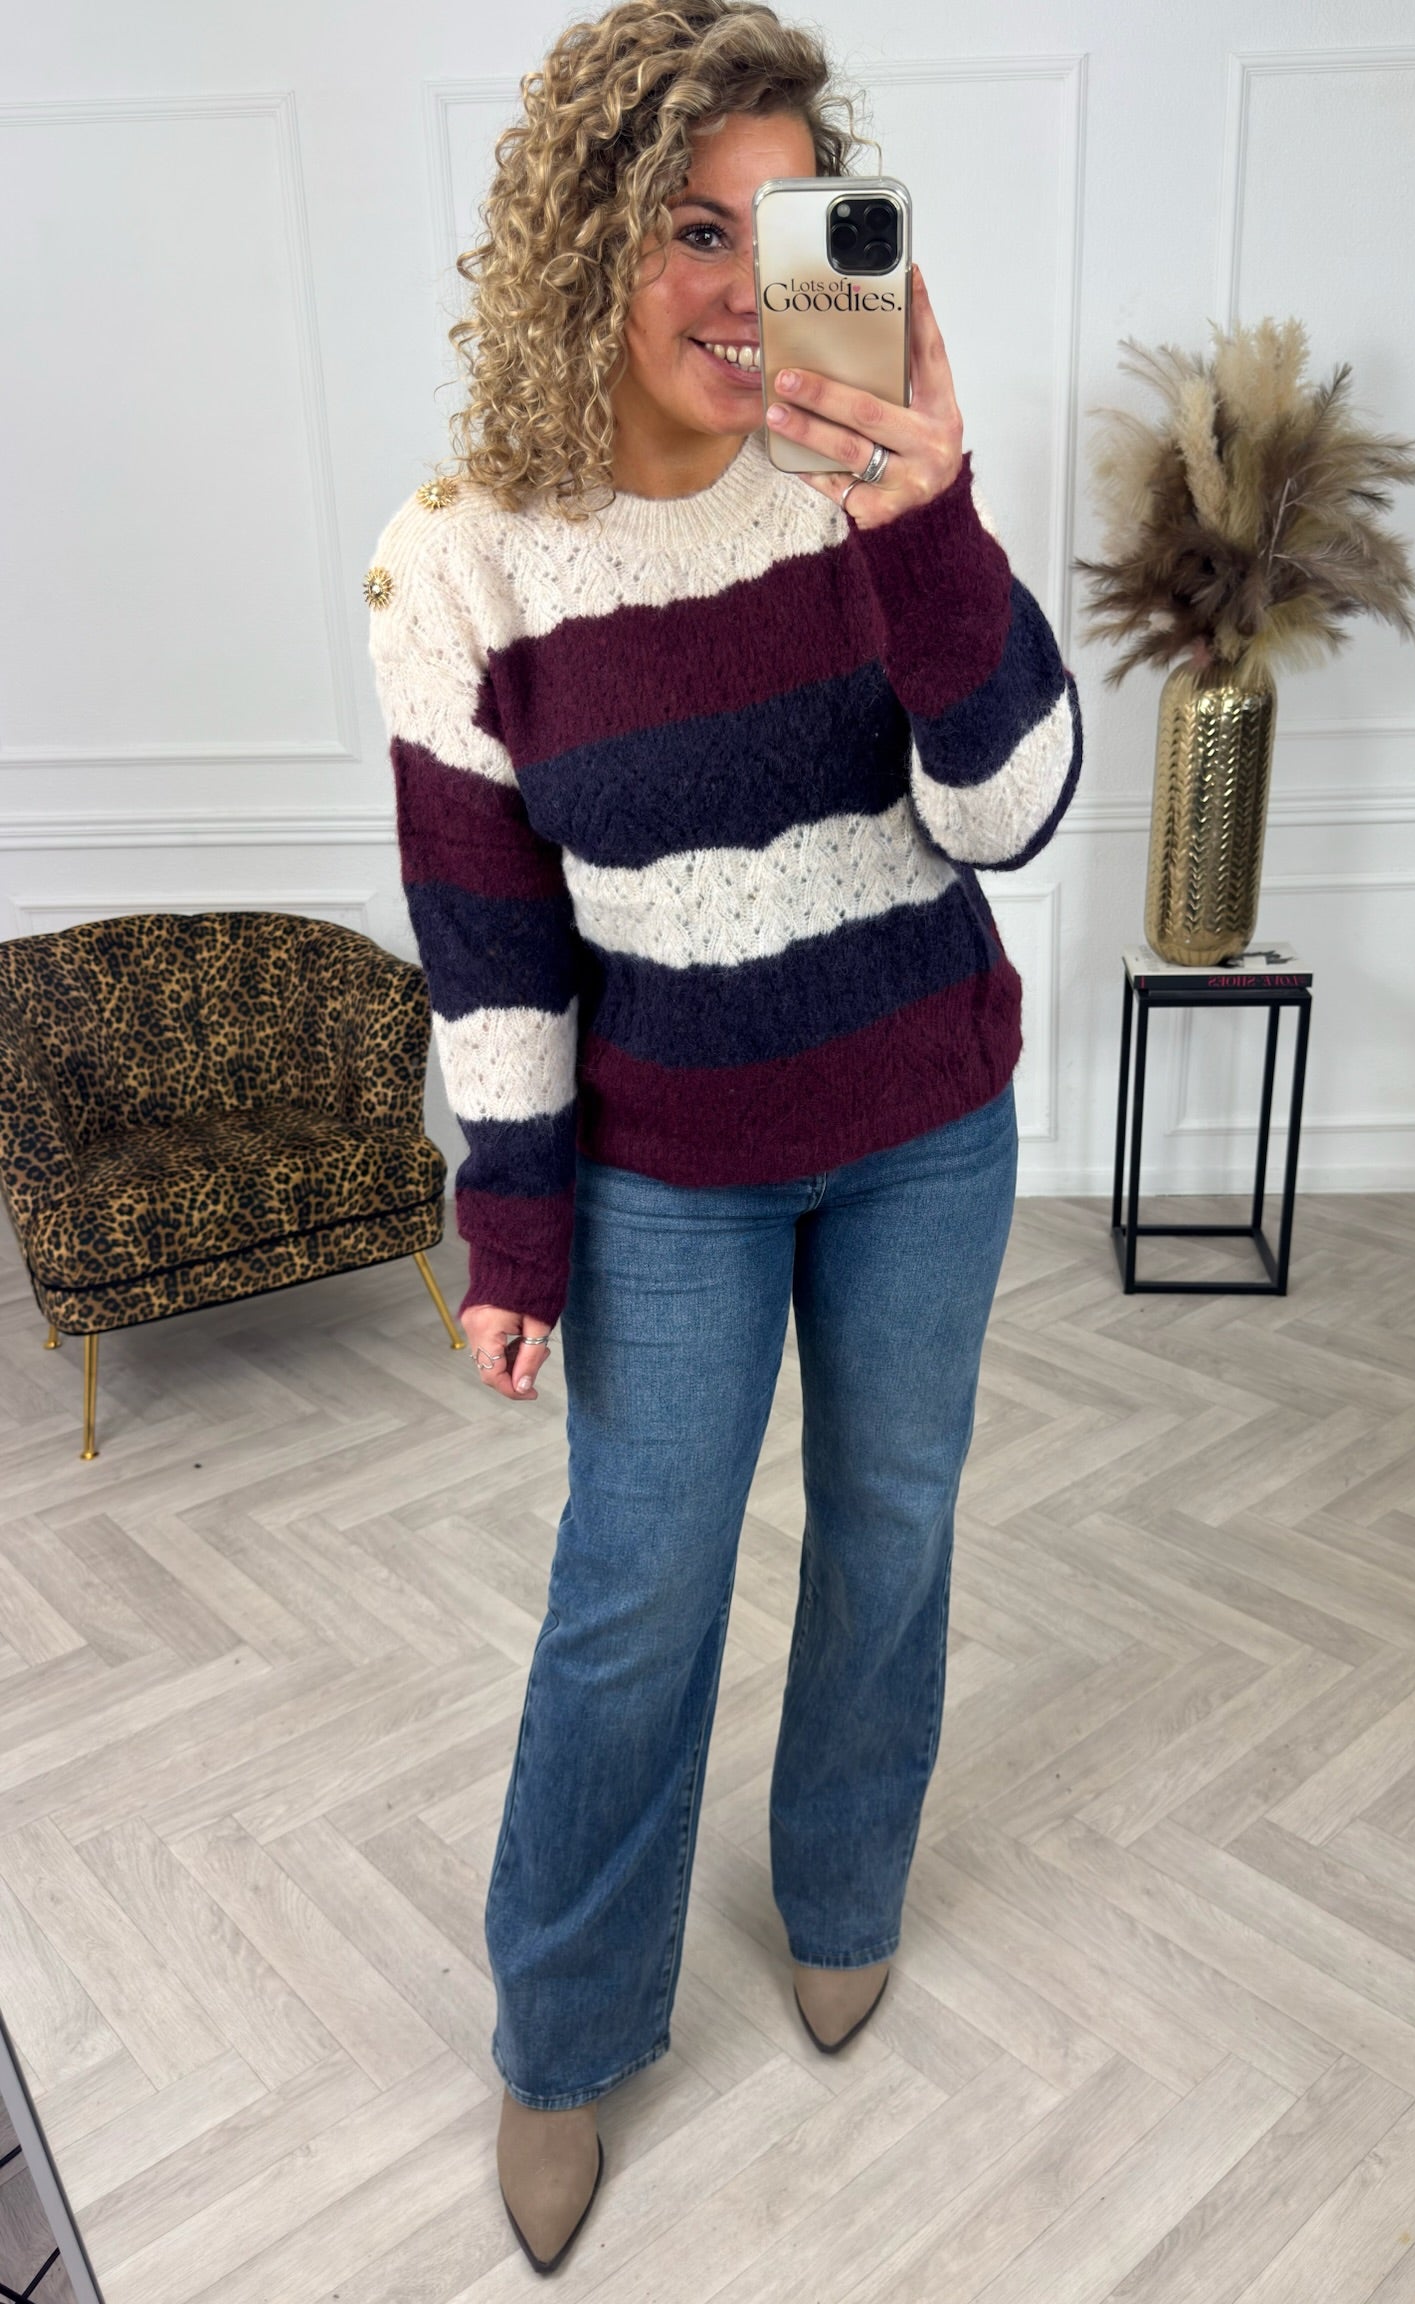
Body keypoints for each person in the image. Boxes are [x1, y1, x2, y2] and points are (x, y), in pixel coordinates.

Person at [366, 0, 1081, 2274]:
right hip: (668, 1165)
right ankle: (566, 2027)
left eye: (783, 232)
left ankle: (845, 1888)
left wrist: (926, 524)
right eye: (693, 228)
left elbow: (1013, 813)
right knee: (635, 1593)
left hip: (925, 1123)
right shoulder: (465, 562)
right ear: (586, 242)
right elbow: (490, 946)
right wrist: (513, 1235)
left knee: (892, 1523)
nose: (741, 288)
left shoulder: (867, 482)